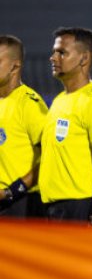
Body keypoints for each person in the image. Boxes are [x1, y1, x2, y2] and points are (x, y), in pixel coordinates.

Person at [40, 27, 92, 224]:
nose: (53, 58)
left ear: (84, 58)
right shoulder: (59, 100)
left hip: (80, 208)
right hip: (54, 208)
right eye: (54, 52)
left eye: (61, 52)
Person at [0, 36, 49, 219]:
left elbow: (49, 157)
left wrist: (11, 191)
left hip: (21, 203)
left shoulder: (30, 104)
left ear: (15, 66)